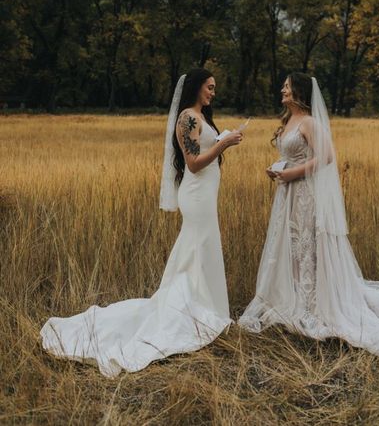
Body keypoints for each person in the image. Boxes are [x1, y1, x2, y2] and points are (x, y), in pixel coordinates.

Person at [238, 72, 379, 361]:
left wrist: (289, 173)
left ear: (298, 92)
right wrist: (279, 168)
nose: (282, 90)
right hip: (288, 194)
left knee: (308, 246)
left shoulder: (310, 122)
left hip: (305, 194)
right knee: (292, 247)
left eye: (286, 87)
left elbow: (325, 157)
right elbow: (296, 155)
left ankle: (314, 304)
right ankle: (295, 298)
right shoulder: (289, 121)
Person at [40, 68, 243, 377]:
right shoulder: (187, 118)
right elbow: (194, 162)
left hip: (205, 196)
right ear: (196, 88)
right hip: (196, 196)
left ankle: (204, 309)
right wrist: (224, 144)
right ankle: (190, 313)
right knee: (198, 248)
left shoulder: (200, 117)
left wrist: (221, 138)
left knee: (199, 252)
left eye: (214, 88)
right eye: (210, 87)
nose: (213, 92)